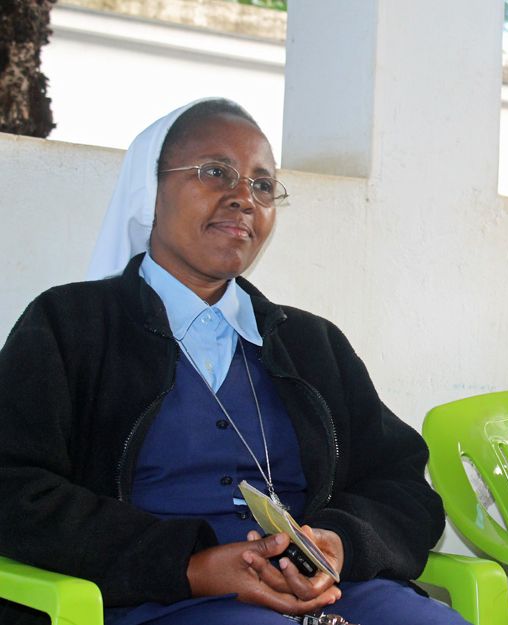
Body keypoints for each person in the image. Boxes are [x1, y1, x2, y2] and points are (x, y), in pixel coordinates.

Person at [0, 98, 468, 625]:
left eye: (263, 185)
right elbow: (15, 487)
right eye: (215, 172)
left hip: (327, 593)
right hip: (150, 598)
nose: (244, 198)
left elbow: (402, 485)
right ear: (148, 192)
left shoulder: (314, 344)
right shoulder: (70, 327)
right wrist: (191, 565)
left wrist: (339, 544)